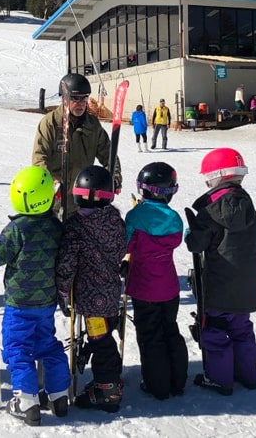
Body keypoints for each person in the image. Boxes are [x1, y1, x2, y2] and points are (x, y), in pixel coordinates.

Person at [0, 166, 70, 426]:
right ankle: (59, 396)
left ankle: (27, 401)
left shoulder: (17, 228)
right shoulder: (55, 225)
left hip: (19, 304)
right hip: (46, 302)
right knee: (48, 345)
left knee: (18, 350)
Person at [184, 148, 256, 396]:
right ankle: (247, 374)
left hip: (218, 284)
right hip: (246, 284)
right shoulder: (247, 204)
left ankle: (220, 378)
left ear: (218, 176)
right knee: (241, 329)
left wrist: (193, 233)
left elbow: (197, 245)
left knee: (216, 331)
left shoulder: (211, 211)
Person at [56, 165, 128, 412]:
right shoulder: (115, 220)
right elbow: (121, 251)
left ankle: (107, 390)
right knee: (105, 337)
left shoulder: (76, 225)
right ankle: (112, 377)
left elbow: (67, 261)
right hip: (109, 292)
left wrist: (63, 290)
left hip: (89, 298)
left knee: (101, 342)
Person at [125, 162, 187, 400]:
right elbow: (175, 241)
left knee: (151, 335)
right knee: (170, 328)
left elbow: (126, 245)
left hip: (144, 286)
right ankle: (177, 381)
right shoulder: (174, 218)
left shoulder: (135, 215)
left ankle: (158, 385)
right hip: (169, 285)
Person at [31, 73, 120, 219]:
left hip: (82, 200)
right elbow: (39, 158)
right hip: (54, 202)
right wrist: (51, 183)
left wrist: (114, 177)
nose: (81, 103)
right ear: (64, 98)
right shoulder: (50, 123)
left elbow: (109, 155)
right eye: (75, 98)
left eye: (84, 98)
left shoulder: (92, 125)